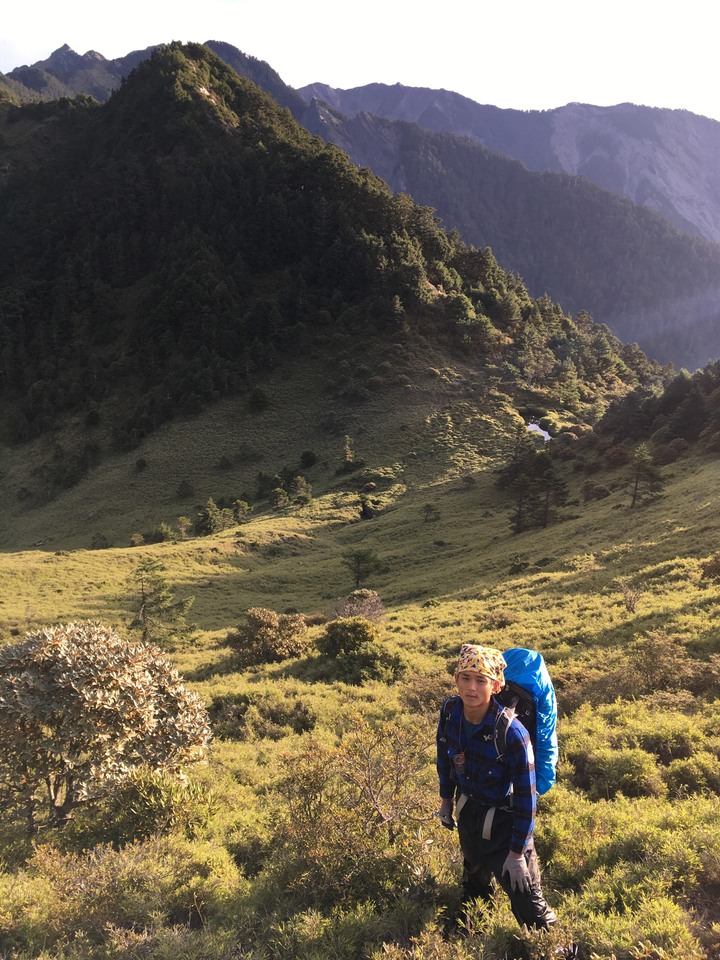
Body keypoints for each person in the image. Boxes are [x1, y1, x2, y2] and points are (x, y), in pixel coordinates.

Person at [436, 642, 557, 929]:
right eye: (465, 678)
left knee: (530, 905)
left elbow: (527, 800)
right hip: (469, 812)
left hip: (506, 824)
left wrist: (517, 855)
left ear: (496, 685)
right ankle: (475, 932)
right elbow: (445, 756)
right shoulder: (450, 711)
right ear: (456, 679)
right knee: (474, 882)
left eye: (481, 680)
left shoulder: (512, 733)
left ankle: (559, 948)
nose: (472, 688)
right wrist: (445, 800)